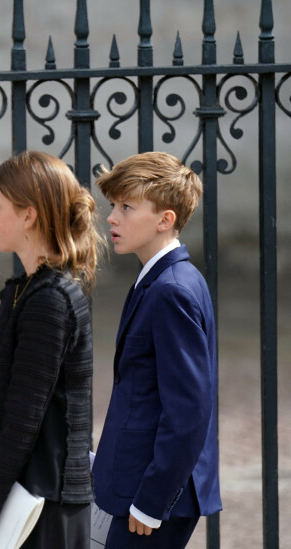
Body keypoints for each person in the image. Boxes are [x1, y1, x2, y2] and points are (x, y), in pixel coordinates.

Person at [0, 151, 100, 549]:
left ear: (29, 215)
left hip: (41, 508)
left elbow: (20, 428)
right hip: (28, 497)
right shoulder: (27, 292)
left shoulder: (49, 301)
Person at [91, 152, 221, 548]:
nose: (112, 217)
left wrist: (152, 501)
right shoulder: (161, 278)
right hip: (142, 484)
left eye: (127, 207)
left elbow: (187, 410)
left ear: (165, 219)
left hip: (156, 496)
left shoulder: (171, 290)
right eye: (113, 206)